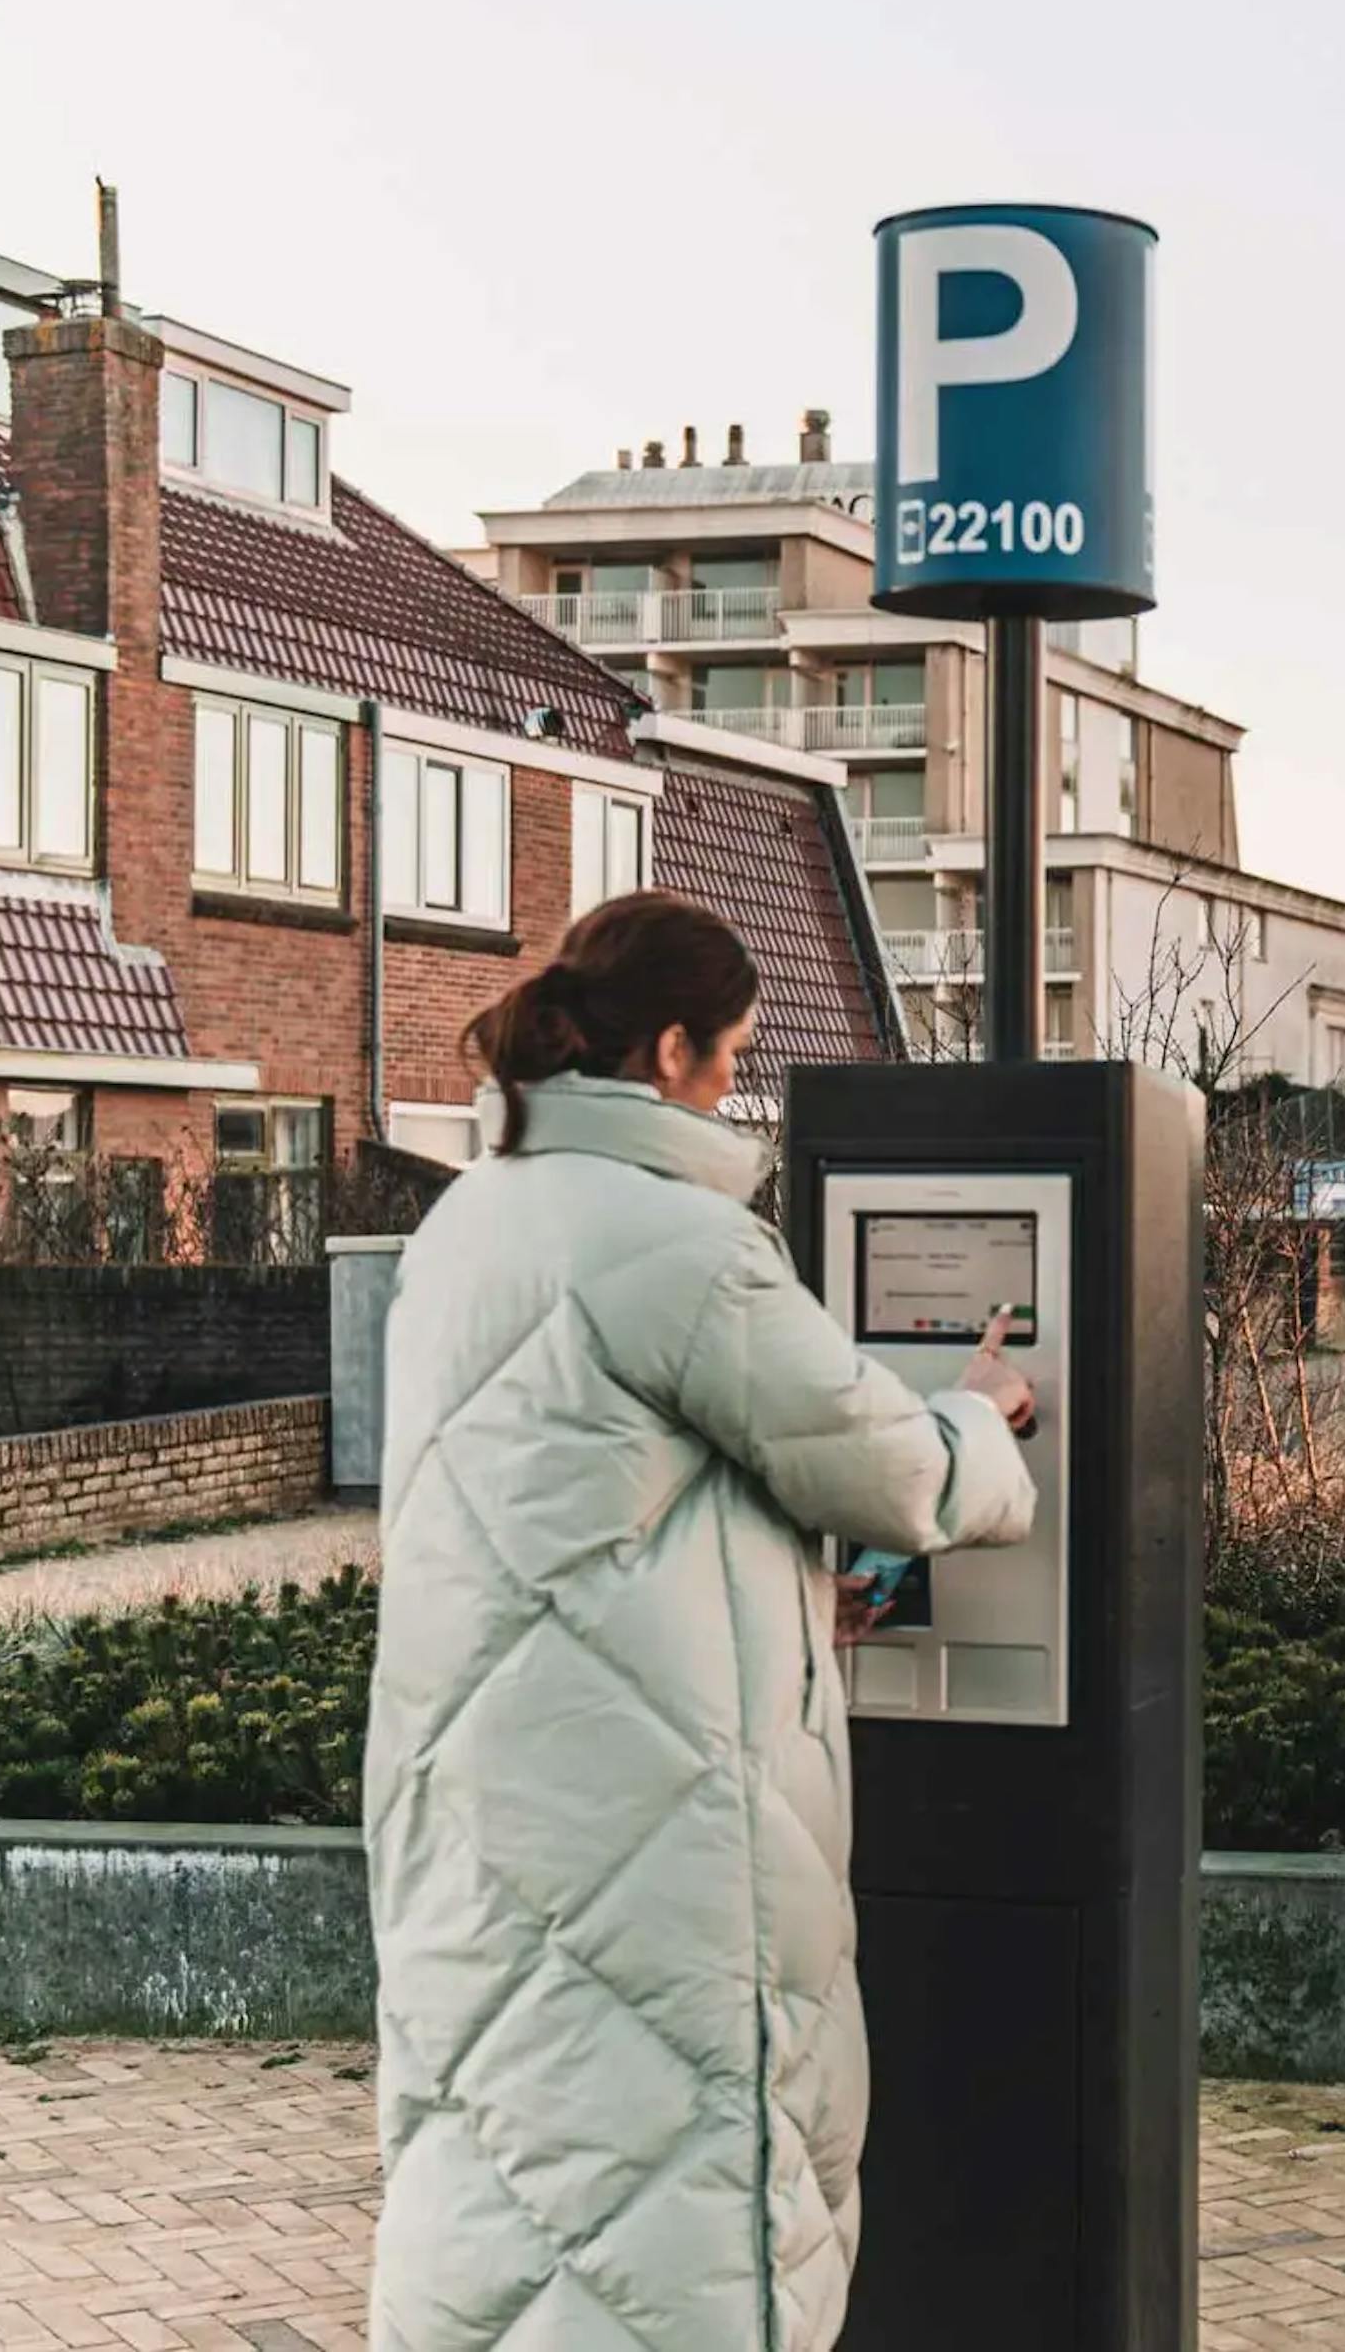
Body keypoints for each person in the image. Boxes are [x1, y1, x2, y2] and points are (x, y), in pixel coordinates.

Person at [363, 890, 1036, 2351]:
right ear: (671, 1050)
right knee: (673, 2200)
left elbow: (584, 1514)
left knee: (508, 2155)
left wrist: (781, 1603)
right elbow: (893, 1467)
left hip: (484, 1797)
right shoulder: (681, 1242)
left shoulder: (466, 1224)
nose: (735, 1086)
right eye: (730, 1053)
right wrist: (984, 1414)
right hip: (651, 1827)